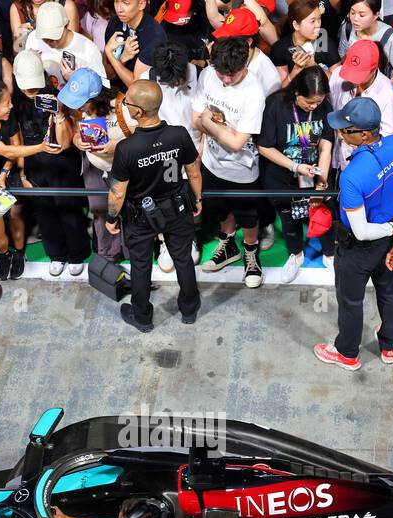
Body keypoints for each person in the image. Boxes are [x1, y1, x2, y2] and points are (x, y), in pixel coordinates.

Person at [313, 96, 393, 371]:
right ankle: (389, 346)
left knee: (350, 300)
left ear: (363, 135)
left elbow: (360, 231)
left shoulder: (351, 176)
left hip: (357, 249)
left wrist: (391, 229)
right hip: (388, 244)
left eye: (345, 130)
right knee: (389, 292)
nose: (339, 133)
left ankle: (347, 353)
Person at [106, 79, 201, 330]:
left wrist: (111, 217)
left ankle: (143, 317)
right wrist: (197, 199)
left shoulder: (126, 149)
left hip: (140, 216)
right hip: (178, 207)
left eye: (127, 102)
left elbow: (118, 192)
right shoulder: (179, 134)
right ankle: (189, 310)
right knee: (183, 259)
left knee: (140, 266)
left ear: (137, 112)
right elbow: (193, 172)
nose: (124, 105)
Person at [0, 75, 63, 279]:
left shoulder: (6, 116)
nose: (11, 106)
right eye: (6, 104)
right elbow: (6, 151)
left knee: (17, 215)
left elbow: (14, 148)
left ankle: (18, 253)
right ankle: (4, 253)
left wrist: (4, 173)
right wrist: (42, 147)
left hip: (9, 173)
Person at [193, 36, 265, 286]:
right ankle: (228, 244)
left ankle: (250, 252)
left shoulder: (254, 92)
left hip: (241, 169)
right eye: (221, 73)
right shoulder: (209, 75)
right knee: (219, 210)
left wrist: (208, 121)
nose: (225, 79)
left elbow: (236, 144)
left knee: (248, 216)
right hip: (212, 163)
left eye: (231, 75)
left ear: (244, 65)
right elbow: (195, 120)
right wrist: (214, 131)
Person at [12, 49, 88, 275]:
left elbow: (65, 144)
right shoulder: (14, 102)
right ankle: (56, 254)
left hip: (63, 164)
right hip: (34, 163)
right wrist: (23, 175)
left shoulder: (57, 95)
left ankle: (77, 254)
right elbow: (16, 140)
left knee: (69, 210)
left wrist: (60, 114)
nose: (30, 90)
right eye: (25, 85)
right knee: (45, 212)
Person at [256, 66, 334, 283]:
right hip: (282, 176)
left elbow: (326, 147)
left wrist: (321, 181)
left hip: (314, 172)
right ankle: (296, 254)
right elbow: (264, 147)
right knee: (290, 218)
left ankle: (330, 254)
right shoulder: (276, 104)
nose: (314, 106)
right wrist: (294, 167)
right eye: (309, 102)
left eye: (318, 102)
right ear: (297, 93)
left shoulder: (324, 105)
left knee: (322, 212)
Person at [59, 65, 125, 261]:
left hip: (122, 169)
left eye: (81, 103)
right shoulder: (78, 109)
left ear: (95, 97)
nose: (77, 107)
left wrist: (118, 146)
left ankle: (132, 253)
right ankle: (108, 255)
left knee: (127, 210)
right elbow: (75, 132)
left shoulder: (123, 105)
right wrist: (78, 140)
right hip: (94, 167)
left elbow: (143, 137)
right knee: (99, 210)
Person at [329, 39, 393, 172]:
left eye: (359, 74)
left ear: (374, 69)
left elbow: (387, 138)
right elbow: (332, 110)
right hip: (338, 160)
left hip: (367, 167)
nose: (352, 78)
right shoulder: (338, 76)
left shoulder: (388, 93)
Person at [25, 0, 105, 91]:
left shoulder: (89, 49)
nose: (51, 43)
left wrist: (75, 79)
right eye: (46, 39)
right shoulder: (33, 39)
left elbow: (100, 89)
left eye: (55, 37)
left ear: (66, 25)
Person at [271, 0, 338, 87]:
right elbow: (281, 90)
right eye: (312, 21)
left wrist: (313, 65)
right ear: (296, 25)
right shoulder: (280, 49)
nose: (318, 24)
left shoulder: (326, 43)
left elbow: (336, 84)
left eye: (319, 18)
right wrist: (296, 70)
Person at [102, 0, 165, 88]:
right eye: (116, 1)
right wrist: (122, 59)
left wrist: (109, 53)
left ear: (141, 4)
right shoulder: (115, 22)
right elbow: (107, 74)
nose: (119, 9)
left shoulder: (154, 36)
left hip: (137, 98)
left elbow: (137, 88)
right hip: (112, 89)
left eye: (126, 3)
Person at [9, 0, 80, 54]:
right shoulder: (18, 8)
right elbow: (18, 54)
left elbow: (72, 48)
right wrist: (19, 39)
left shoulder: (67, 6)